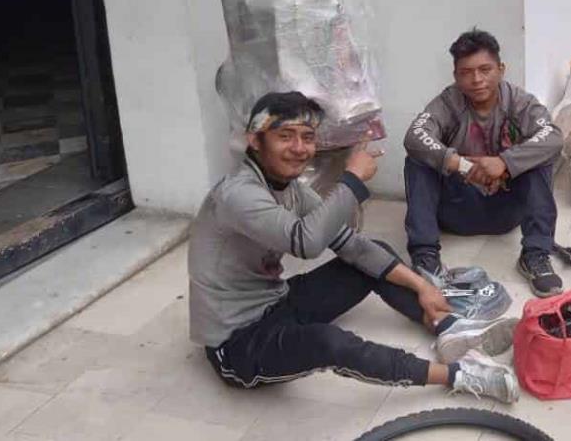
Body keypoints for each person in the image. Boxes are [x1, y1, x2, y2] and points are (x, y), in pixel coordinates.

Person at [187, 91, 520, 402]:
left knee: (368, 254)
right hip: (237, 340)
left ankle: (449, 329)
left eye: (307, 137)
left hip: (276, 302)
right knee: (329, 342)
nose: (299, 148)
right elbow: (306, 242)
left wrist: (422, 286)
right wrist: (352, 180)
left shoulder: (289, 188)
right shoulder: (238, 195)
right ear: (255, 141)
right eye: (284, 136)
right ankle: (458, 375)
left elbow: (350, 244)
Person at [404, 29, 564, 297]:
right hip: (455, 209)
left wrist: (505, 162)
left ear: (501, 69)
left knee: (540, 157)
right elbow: (414, 136)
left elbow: (554, 137)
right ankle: (425, 258)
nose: (477, 80)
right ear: (456, 76)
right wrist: (460, 165)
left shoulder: (519, 102)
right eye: (466, 72)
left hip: (506, 210)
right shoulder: (448, 102)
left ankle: (535, 256)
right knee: (418, 161)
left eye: (485, 69)